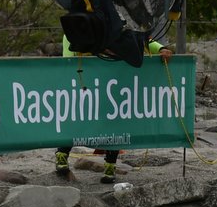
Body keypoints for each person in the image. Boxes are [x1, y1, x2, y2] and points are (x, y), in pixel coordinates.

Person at [55, 33, 171, 183]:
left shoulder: (110, 26)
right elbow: (70, 59)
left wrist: (161, 48)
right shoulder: (74, 28)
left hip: (110, 82)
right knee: (76, 116)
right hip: (82, 82)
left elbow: (137, 39)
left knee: (115, 119)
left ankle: (110, 165)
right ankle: (62, 155)